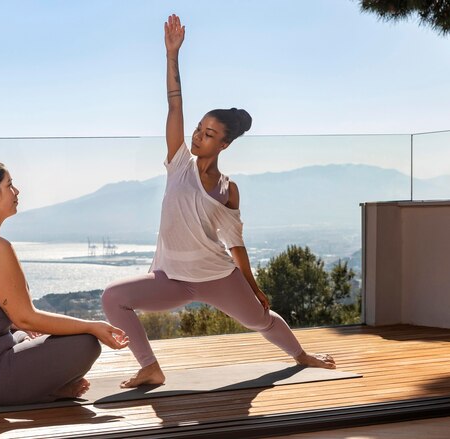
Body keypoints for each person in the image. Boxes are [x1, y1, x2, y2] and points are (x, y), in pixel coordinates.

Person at [102, 14, 335, 388]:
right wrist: (172, 55)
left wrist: (253, 287)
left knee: (261, 319)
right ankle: (150, 367)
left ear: (223, 144)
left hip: (216, 276)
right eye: (198, 128)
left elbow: (235, 244)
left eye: (208, 134)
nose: (197, 136)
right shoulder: (179, 163)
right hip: (172, 278)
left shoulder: (228, 189)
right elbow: (174, 106)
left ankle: (301, 355)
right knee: (113, 298)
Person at [0, 161, 129, 406]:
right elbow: (26, 316)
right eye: (10, 185)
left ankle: (47, 388)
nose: (17, 192)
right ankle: (49, 391)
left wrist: (22, 329)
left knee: (24, 334)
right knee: (85, 343)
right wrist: (91, 326)